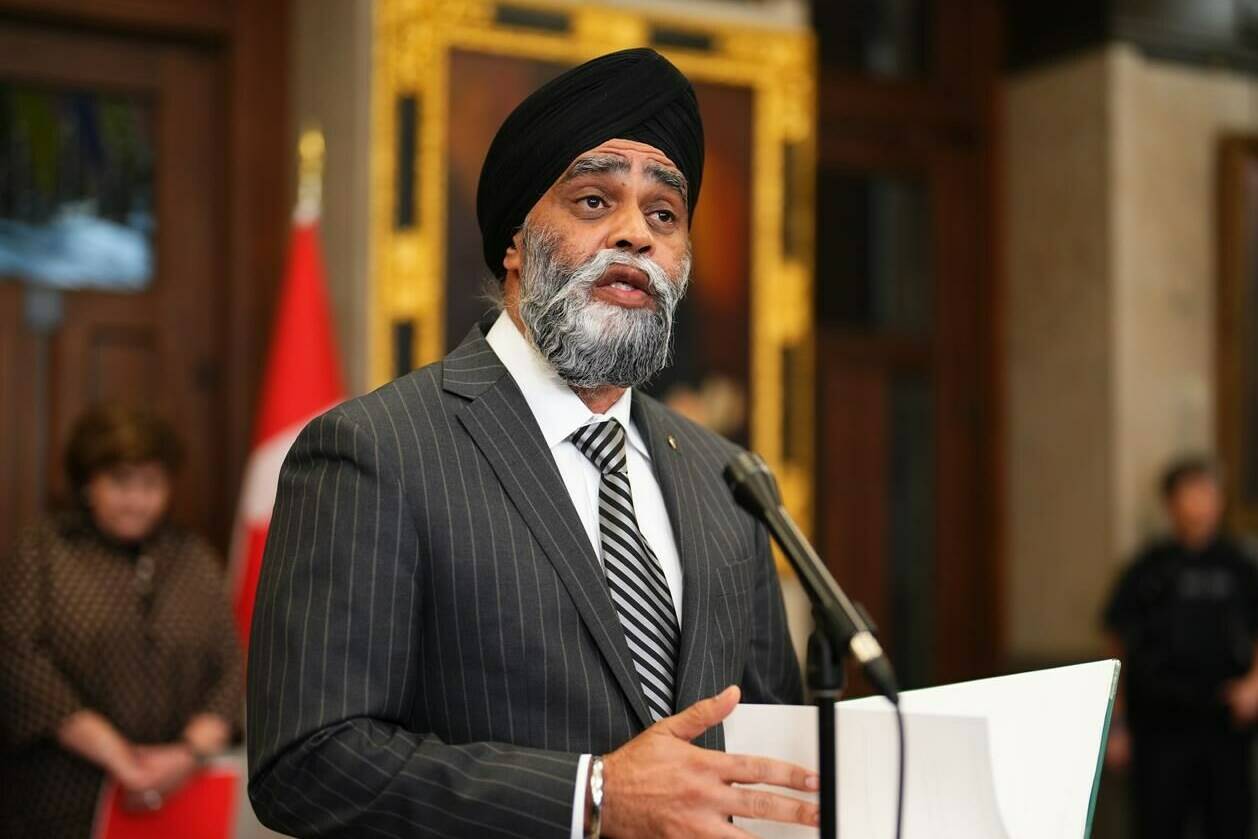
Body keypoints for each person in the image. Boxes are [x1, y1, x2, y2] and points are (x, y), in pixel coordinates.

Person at [247, 48, 812, 838]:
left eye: (663, 214)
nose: (635, 236)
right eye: (592, 201)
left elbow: (765, 747)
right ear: (515, 243)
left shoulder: (728, 476)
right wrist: (593, 794)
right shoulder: (374, 450)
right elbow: (307, 762)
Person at [0, 403, 243, 836]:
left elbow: (233, 664)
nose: (136, 500)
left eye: (151, 483)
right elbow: (17, 660)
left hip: (180, 795)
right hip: (63, 798)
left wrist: (187, 753)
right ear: (88, 483)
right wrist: (114, 754)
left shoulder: (194, 557)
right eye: (119, 482)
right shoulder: (42, 552)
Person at [1103, 455, 1258, 839]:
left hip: (1225, 723)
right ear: (1171, 502)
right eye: (1191, 492)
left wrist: (1255, 685)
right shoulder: (1148, 568)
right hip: (1160, 726)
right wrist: (1117, 724)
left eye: (1209, 491)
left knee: (1229, 822)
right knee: (1157, 822)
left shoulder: (1239, 565)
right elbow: (1117, 642)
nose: (1201, 502)